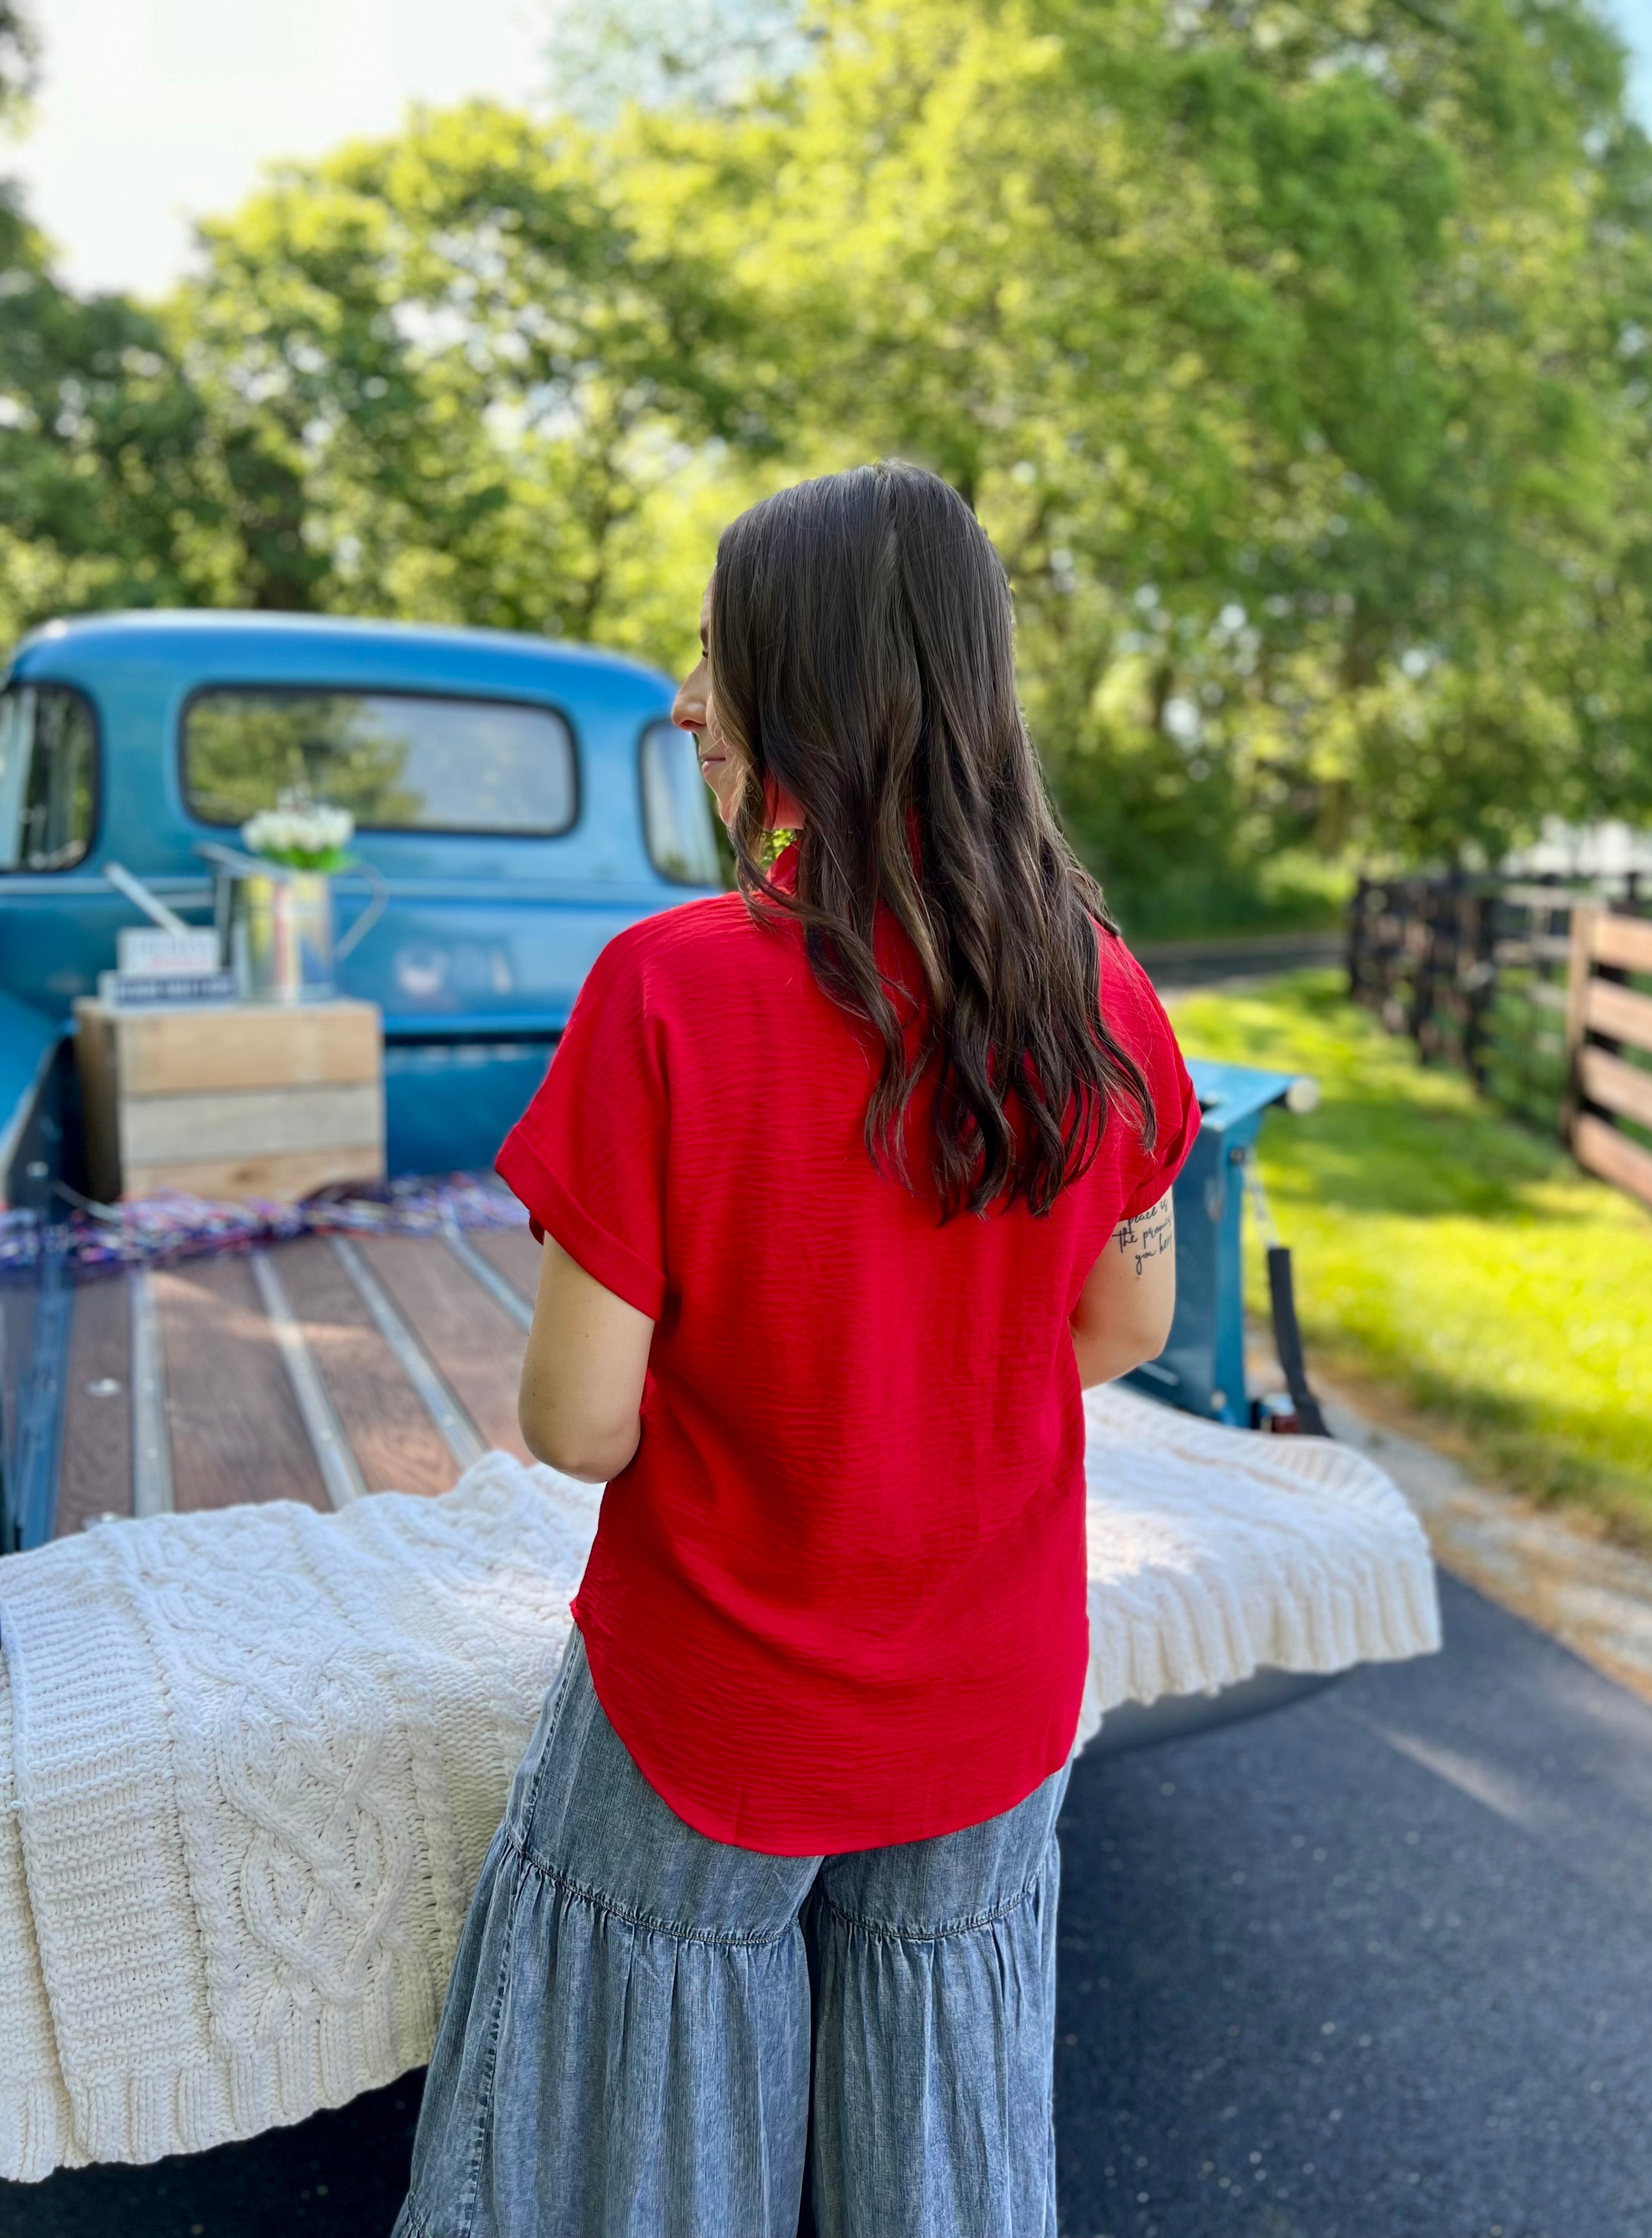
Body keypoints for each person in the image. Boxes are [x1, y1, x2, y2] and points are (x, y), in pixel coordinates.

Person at [393, 461, 1200, 2238]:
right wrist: (925, 1380)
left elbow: (577, 1427)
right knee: (941, 2113)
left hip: (716, 1704)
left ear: (811, 689)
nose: (686, 698)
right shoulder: (1103, 990)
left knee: (645, 2117)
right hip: (994, 1690)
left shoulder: (668, 995)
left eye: (715, 654)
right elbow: (1129, 1321)